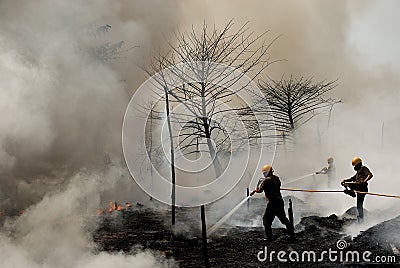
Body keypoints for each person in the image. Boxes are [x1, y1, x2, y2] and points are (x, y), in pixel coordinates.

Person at [250, 165, 295, 242]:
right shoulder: (277, 178)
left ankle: (269, 238)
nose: (264, 174)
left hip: (272, 202)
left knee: (266, 220)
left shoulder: (266, 180)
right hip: (279, 201)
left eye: (264, 173)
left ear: (267, 172)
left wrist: (255, 190)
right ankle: (292, 235)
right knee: (283, 219)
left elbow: (260, 190)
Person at [341, 157, 373, 223]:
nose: (354, 167)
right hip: (358, 188)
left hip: (362, 187)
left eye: (355, 165)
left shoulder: (363, 168)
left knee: (350, 185)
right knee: (359, 205)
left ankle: (352, 192)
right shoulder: (358, 172)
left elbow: (370, 175)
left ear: (358, 164)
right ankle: (361, 219)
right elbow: (352, 178)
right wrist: (345, 180)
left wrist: (364, 181)